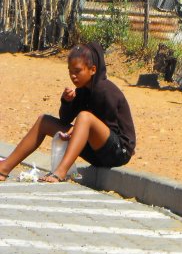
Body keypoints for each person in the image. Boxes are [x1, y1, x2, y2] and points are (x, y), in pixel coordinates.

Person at [0, 42, 136, 183]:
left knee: (84, 117)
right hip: (94, 151)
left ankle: (60, 172)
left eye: (77, 71)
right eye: (70, 71)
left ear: (93, 69)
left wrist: (78, 127)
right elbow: (64, 120)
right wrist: (67, 101)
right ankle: (5, 167)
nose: (73, 76)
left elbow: (109, 129)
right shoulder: (82, 90)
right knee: (44, 121)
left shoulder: (105, 90)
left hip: (118, 152)